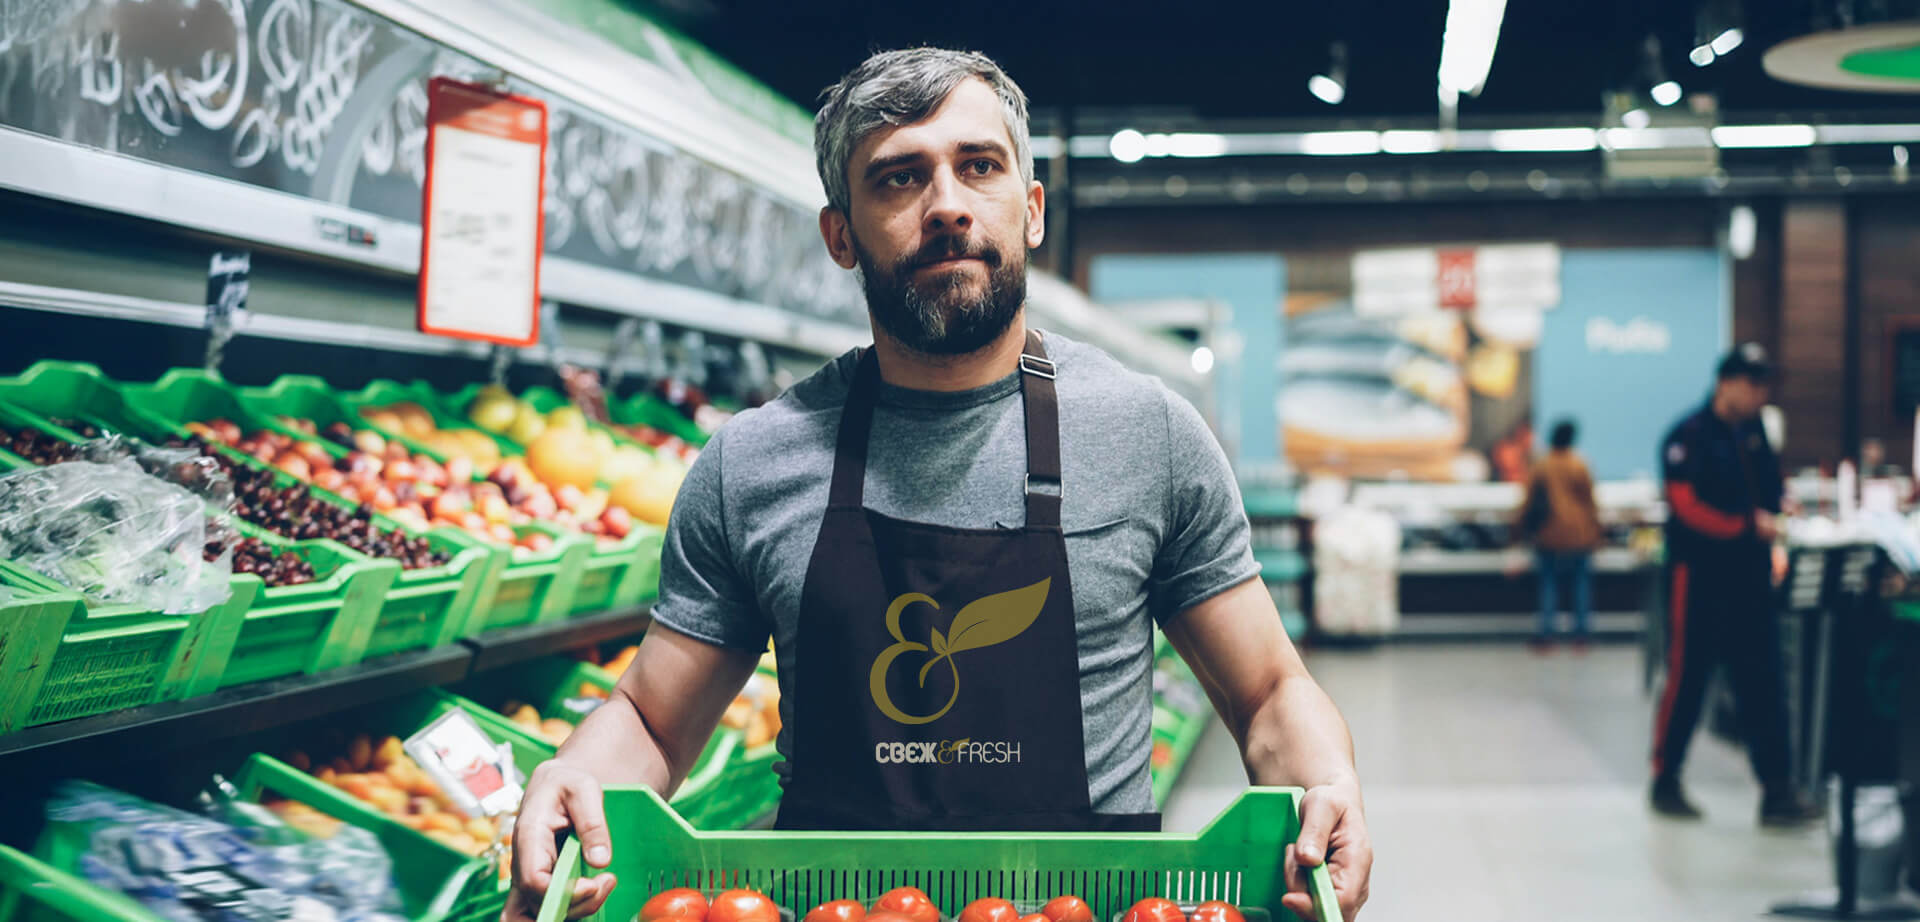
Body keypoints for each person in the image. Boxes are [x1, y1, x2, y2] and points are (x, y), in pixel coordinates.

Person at [505, 48, 1371, 921]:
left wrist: (1328, 781)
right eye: (898, 179)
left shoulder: (1150, 436)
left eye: (980, 167)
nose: (948, 205)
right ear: (840, 234)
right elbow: (653, 721)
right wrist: (575, 777)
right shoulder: (752, 464)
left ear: (1029, 211)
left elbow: (1267, 693)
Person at [1649, 343, 1818, 826]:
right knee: (1687, 679)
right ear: (1727, 382)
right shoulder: (1688, 436)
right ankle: (1665, 779)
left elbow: (1771, 487)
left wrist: (1780, 511)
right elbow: (1685, 505)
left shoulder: (1757, 433)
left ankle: (1777, 791)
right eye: (1753, 383)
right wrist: (1747, 526)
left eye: (1765, 384)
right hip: (1699, 576)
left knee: (1763, 681)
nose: (1761, 393)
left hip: (1750, 575)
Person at [1516, 419, 1601, 650]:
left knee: (1548, 584)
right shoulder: (1580, 464)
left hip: (1549, 532)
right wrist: (1597, 531)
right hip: (1580, 533)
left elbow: (1528, 501)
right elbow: (1590, 502)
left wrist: (1518, 529)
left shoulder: (1542, 465)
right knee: (1581, 584)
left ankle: (1547, 634)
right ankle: (1581, 635)